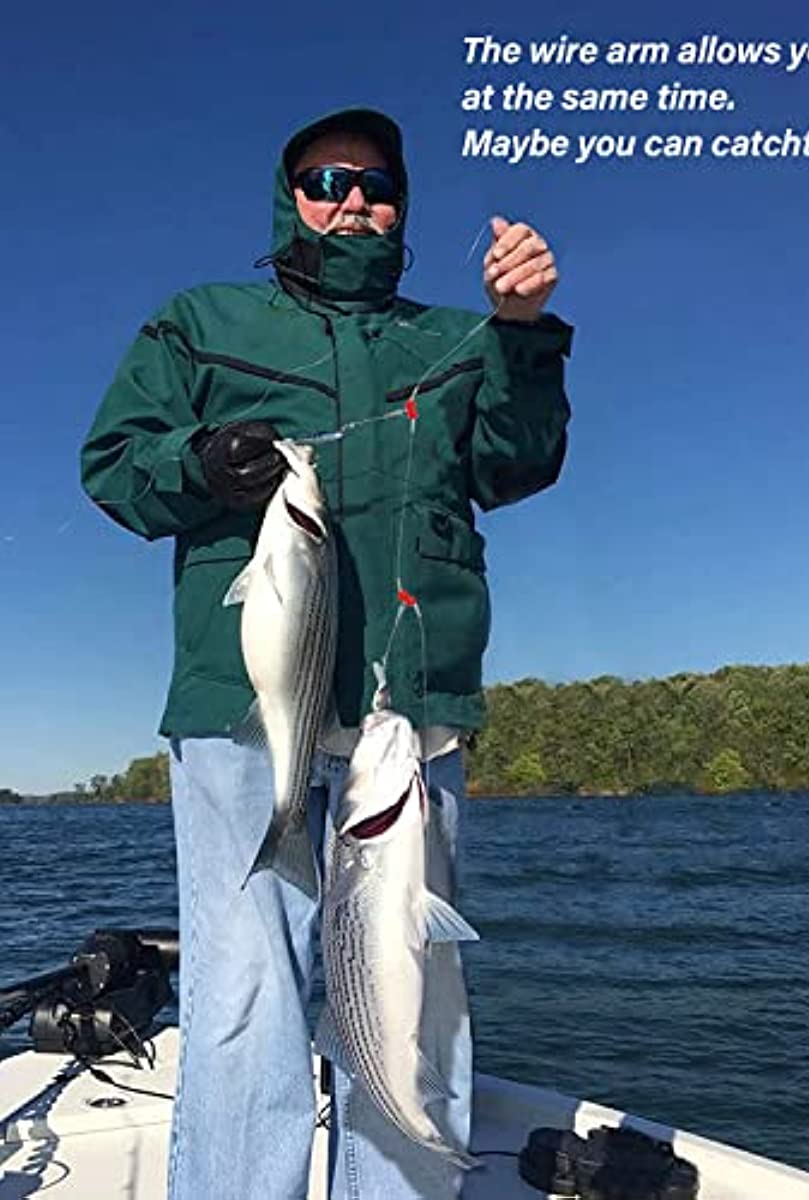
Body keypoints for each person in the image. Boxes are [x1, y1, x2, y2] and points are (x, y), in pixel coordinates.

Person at [80, 107, 572, 1200]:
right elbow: (114, 467)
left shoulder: (455, 339)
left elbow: (516, 463)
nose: (351, 198)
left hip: (408, 714)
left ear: (402, 205)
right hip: (240, 703)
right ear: (289, 198)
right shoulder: (201, 320)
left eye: (375, 183)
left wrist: (526, 330)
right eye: (325, 180)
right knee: (246, 991)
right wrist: (202, 460)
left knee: (412, 988)